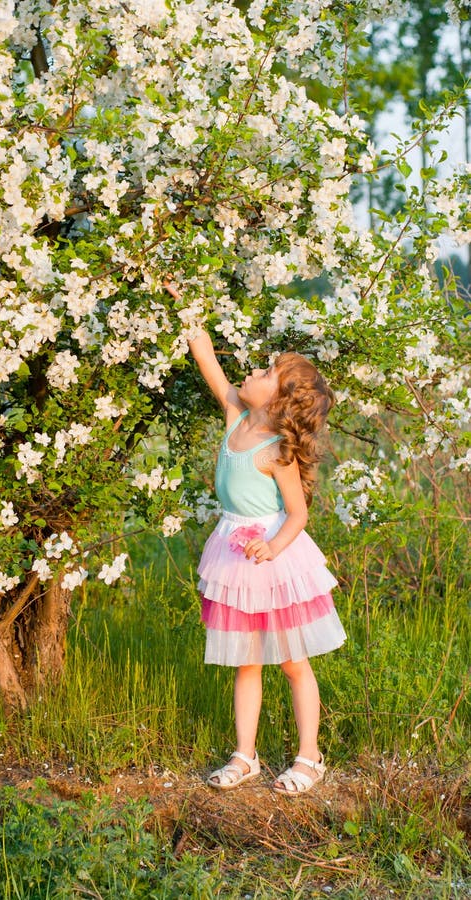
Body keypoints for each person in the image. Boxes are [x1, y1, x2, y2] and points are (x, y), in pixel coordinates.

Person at [164, 280, 346, 795]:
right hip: (234, 554)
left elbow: (297, 515)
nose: (254, 371)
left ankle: (310, 757)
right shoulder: (236, 417)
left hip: (271, 559)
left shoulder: (274, 450)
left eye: (266, 372)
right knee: (246, 660)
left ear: (281, 400)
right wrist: (187, 306)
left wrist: (273, 546)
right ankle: (245, 755)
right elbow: (209, 365)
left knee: (291, 660)